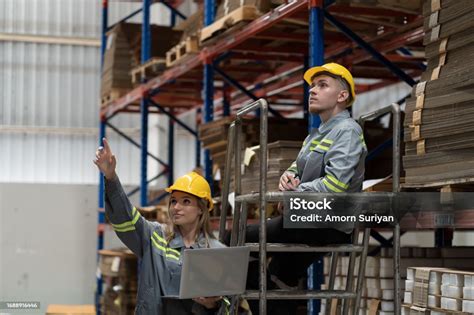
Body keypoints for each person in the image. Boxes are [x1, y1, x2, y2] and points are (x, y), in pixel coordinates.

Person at [234, 63, 368, 314]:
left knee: (238, 237)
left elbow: (336, 185)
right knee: (277, 276)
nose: (312, 91)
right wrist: (286, 180)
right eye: (311, 86)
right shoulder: (313, 137)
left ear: (342, 96)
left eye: (322, 85)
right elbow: (294, 170)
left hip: (329, 223)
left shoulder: (348, 131)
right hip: (306, 218)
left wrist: (296, 193)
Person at [94, 138, 230, 315]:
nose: (176, 207)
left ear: (201, 209)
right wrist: (111, 177)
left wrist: (212, 305)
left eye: (185, 201)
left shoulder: (216, 252)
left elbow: (227, 306)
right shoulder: (155, 236)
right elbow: (124, 217)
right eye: (173, 201)